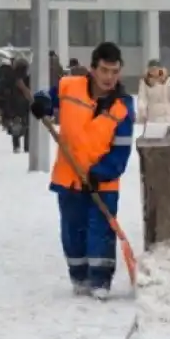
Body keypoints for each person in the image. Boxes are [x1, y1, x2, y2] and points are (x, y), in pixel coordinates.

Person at [30, 42, 135, 299]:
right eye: (104, 70)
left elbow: (121, 151)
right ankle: (79, 277)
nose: (109, 77)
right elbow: (47, 96)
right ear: (92, 69)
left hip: (103, 183)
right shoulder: (70, 86)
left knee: (100, 231)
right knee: (72, 230)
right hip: (69, 178)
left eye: (115, 71)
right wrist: (41, 104)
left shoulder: (123, 106)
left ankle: (100, 281)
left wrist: (101, 173)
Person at [5, 58, 31, 153]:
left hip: (14, 104)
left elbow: (6, 91)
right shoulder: (29, 77)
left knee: (16, 125)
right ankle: (27, 146)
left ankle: (16, 146)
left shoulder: (11, 77)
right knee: (28, 126)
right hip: (26, 104)